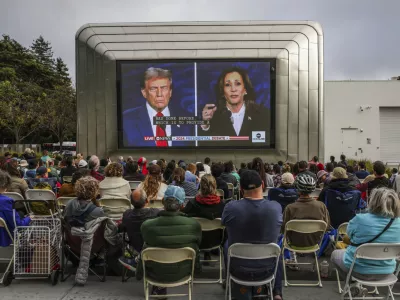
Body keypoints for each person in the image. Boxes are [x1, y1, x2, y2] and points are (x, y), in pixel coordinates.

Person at [222, 170, 283, 300]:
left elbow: (224, 224)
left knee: (227, 244)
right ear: (262, 184)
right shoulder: (276, 208)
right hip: (267, 269)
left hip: (238, 270)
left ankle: (228, 280)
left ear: (241, 190)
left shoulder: (230, 208)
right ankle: (277, 291)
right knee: (276, 248)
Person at [331, 188, 400, 296]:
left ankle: (352, 284)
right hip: (387, 271)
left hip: (358, 269)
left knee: (335, 254)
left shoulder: (360, 219)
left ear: (373, 201)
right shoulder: (398, 223)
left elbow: (348, 237)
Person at [136, 185, 202, 298]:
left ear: (163, 201)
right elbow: (198, 244)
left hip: (155, 272)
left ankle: (158, 288)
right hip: (184, 271)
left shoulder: (147, 226)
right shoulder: (194, 225)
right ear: (182, 205)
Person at [122, 67, 194, 147]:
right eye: (153, 89)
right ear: (144, 93)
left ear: (170, 92)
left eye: (164, 88)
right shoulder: (126, 120)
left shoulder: (186, 118)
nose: (159, 94)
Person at [199, 67, 270, 146]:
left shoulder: (263, 114)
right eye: (228, 85)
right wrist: (205, 124)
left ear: (245, 90)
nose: (233, 89)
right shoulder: (213, 116)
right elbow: (203, 147)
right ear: (222, 92)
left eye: (238, 84)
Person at [282, 173, 330, 248]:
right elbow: (326, 227)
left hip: (294, 243)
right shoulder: (321, 206)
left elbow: (283, 229)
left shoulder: (290, 208)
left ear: (297, 188)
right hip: (315, 243)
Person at [119, 188, 160, 268]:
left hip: (135, 246)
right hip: (152, 246)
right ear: (146, 201)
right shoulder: (155, 213)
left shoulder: (126, 215)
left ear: (131, 202)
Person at [0, 170, 31, 247]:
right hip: (4, 238)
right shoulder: (6, 201)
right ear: (3, 186)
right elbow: (18, 225)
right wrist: (29, 218)